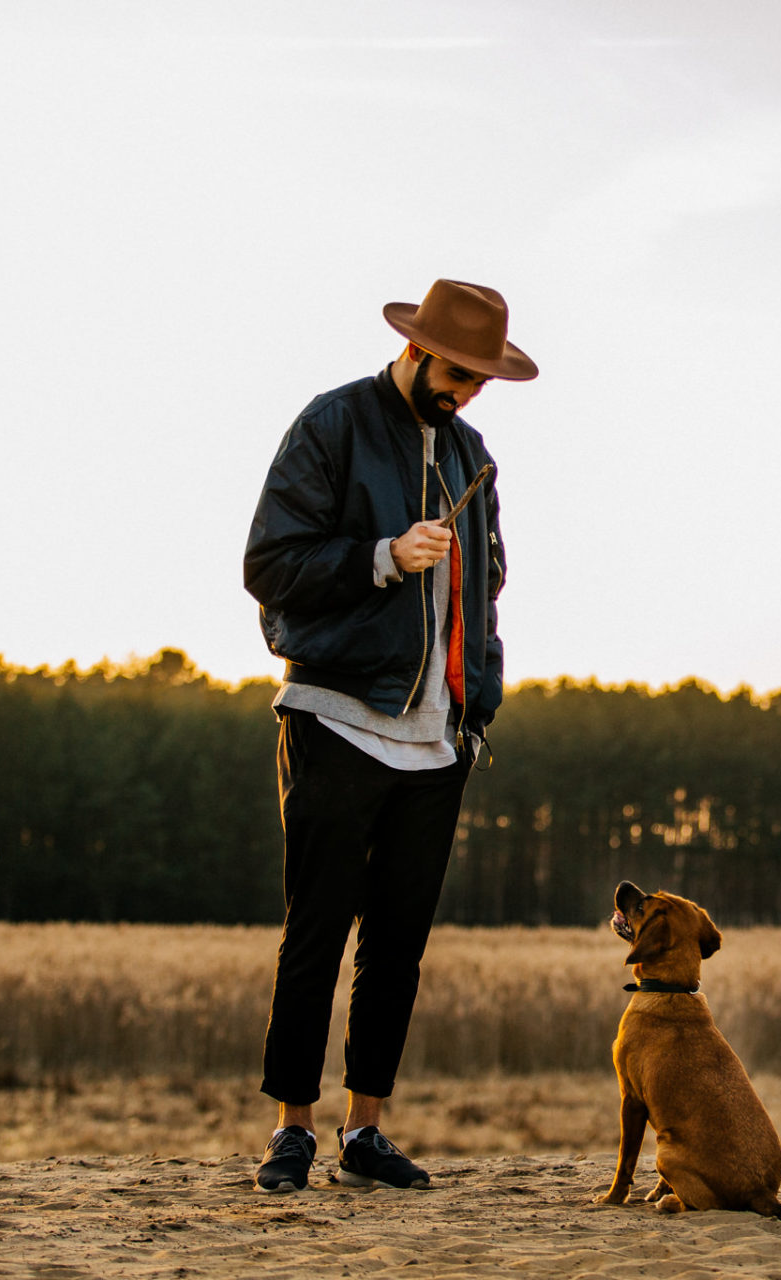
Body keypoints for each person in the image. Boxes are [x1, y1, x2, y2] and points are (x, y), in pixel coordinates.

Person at [241, 279, 536, 1192]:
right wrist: (382, 557)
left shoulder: (472, 455)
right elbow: (269, 565)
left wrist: (476, 708)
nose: (468, 394)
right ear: (415, 351)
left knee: (398, 947)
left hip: (437, 742)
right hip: (338, 718)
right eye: (459, 374)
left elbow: (484, 593)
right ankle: (292, 1130)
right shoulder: (332, 424)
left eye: (482, 381)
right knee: (315, 934)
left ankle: (364, 1131)